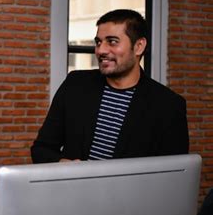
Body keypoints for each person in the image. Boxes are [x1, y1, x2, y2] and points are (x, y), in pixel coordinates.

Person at [31, 9, 189, 163]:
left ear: (139, 46)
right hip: (74, 188)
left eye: (112, 42)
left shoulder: (169, 105)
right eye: (98, 42)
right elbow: (41, 149)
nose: (101, 50)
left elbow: (172, 176)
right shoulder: (75, 85)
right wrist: (62, 165)